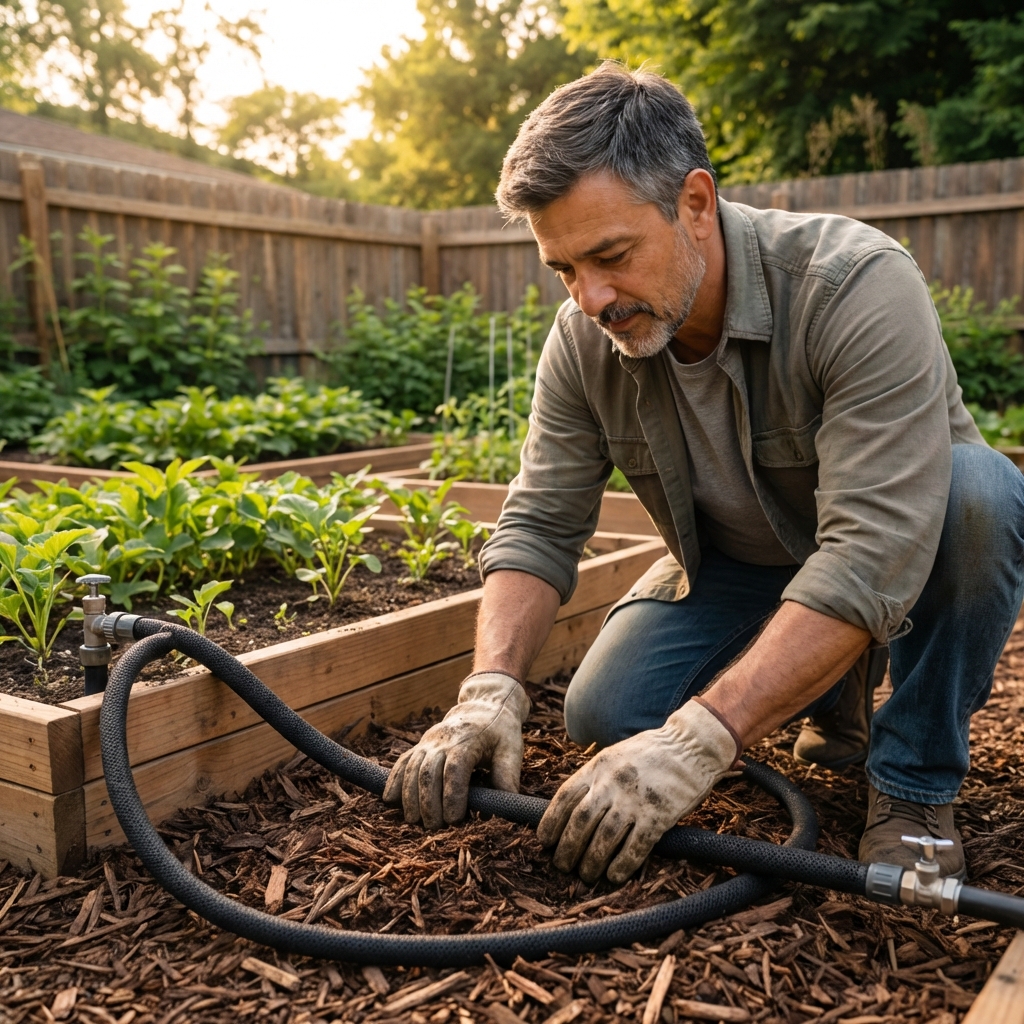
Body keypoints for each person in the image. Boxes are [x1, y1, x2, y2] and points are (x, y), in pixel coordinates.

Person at [383, 63, 1024, 886]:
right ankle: (827, 682)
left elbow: (872, 549)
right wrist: (490, 688)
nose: (591, 298)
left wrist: (703, 739)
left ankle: (913, 778)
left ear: (694, 203)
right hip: (742, 564)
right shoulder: (584, 340)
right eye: (564, 270)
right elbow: (540, 522)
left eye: (611, 255)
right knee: (604, 714)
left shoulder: (852, 285)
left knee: (981, 496)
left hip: (902, 550)